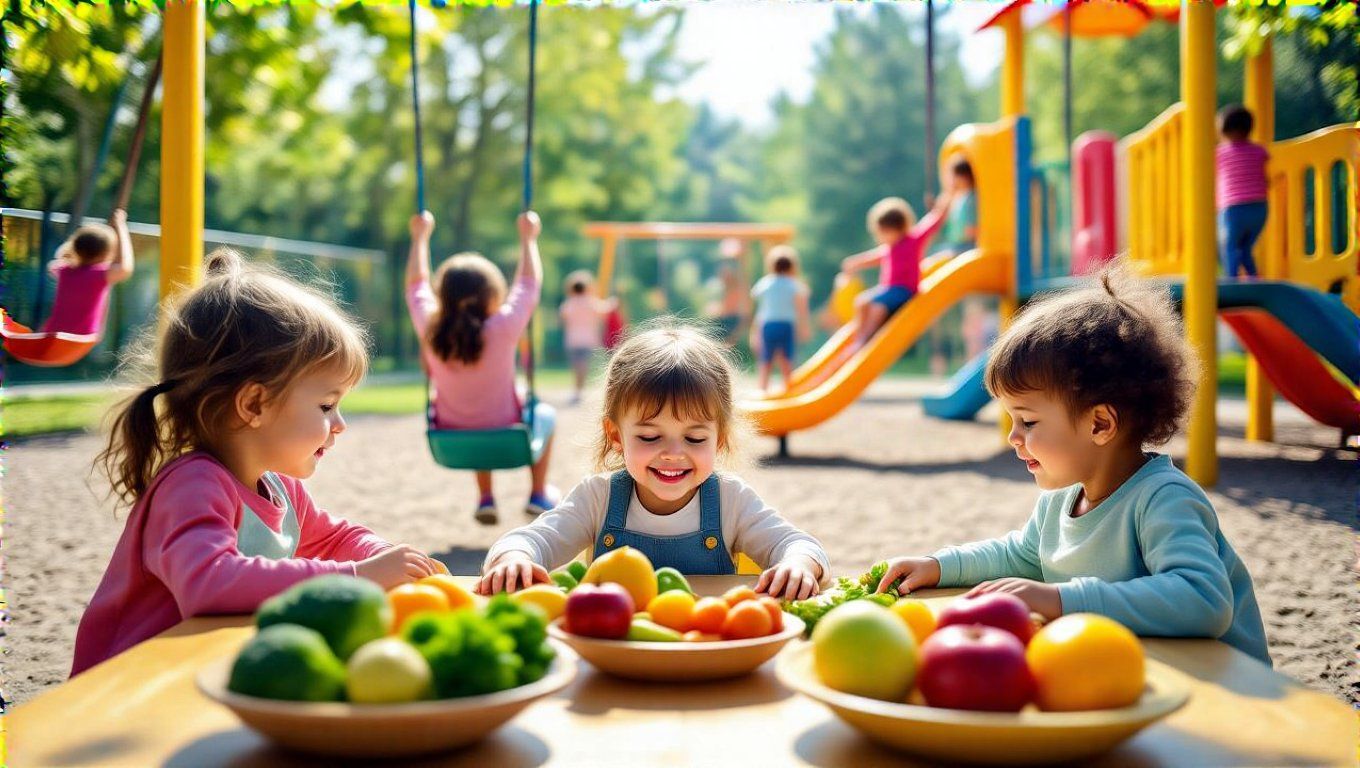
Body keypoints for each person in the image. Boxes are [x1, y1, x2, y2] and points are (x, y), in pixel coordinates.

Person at [873, 265, 1270, 665]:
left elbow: (1203, 600)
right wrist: (937, 566)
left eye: (1028, 421)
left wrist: (1058, 598)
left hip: (1223, 688)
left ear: (1100, 424)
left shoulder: (1163, 498)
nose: (1013, 437)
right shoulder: (1061, 499)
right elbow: (1019, 556)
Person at [71, 250, 439, 676]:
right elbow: (209, 583)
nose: (339, 425)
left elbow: (334, 538)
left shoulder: (279, 487)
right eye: (326, 405)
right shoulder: (192, 485)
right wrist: (357, 576)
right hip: (126, 689)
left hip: (195, 674)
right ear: (253, 403)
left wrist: (387, 557)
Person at [477, 326, 830, 599]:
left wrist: (797, 564)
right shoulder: (597, 499)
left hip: (702, 649)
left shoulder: (731, 501)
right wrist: (514, 558)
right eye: (649, 437)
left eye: (695, 439)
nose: (673, 453)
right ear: (616, 436)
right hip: (614, 653)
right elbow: (531, 541)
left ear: (719, 439)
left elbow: (801, 545)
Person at [407, 211, 558, 524]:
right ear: (492, 295)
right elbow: (529, 285)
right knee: (546, 414)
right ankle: (538, 492)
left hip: (453, 433)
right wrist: (528, 239)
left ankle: (486, 498)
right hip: (507, 432)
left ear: (443, 296)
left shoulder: (431, 329)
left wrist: (419, 238)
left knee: (474, 414)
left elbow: (415, 286)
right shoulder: (502, 328)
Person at [840, 192, 953, 351]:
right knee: (861, 301)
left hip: (905, 290)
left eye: (883, 233)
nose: (881, 237)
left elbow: (935, 220)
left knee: (878, 307)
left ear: (897, 228)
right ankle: (860, 337)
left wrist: (948, 195)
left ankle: (867, 338)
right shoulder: (889, 248)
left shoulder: (913, 240)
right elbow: (873, 257)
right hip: (888, 290)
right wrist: (854, 262)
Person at [44, 209, 136, 335]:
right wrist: (121, 226)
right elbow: (125, 267)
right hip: (79, 338)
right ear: (107, 253)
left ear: (75, 246)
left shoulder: (64, 270)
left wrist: (73, 249)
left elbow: (56, 262)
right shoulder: (98, 276)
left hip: (52, 334)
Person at [1215, 104, 1270, 278]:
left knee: (1229, 245)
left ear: (1223, 130)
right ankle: (1253, 277)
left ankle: (1232, 279)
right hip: (1259, 208)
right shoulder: (1259, 151)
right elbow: (1265, 177)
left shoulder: (1220, 153)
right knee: (1245, 247)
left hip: (1233, 208)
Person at [749, 245, 811, 393]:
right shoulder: (794, 284)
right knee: (787, 359)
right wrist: (804, 328)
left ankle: (762, 388)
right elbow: (801, 308)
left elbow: (761, 308)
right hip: (786, 325)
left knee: (766, 359)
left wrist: (754, 330)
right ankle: (789, 388)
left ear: (771, 265)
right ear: (792, 266)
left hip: (768, 324)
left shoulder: (765, 283)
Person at [559, 270, 618, 406]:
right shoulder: (591, 302)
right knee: (583, 367)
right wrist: (614, 300)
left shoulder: (568, 304)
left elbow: (562, 317)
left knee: (577, 367)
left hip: (572, 340)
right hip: (588, 340)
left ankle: (577, 391)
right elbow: (606, 309)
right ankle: (579, 391)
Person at [707, 238, 750, 347]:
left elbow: (741, 271)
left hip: (733, 318)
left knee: (727, 344)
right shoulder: (726, 286)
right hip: (726, 317)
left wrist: (741, 255)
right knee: (723, 345)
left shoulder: (739, 284)